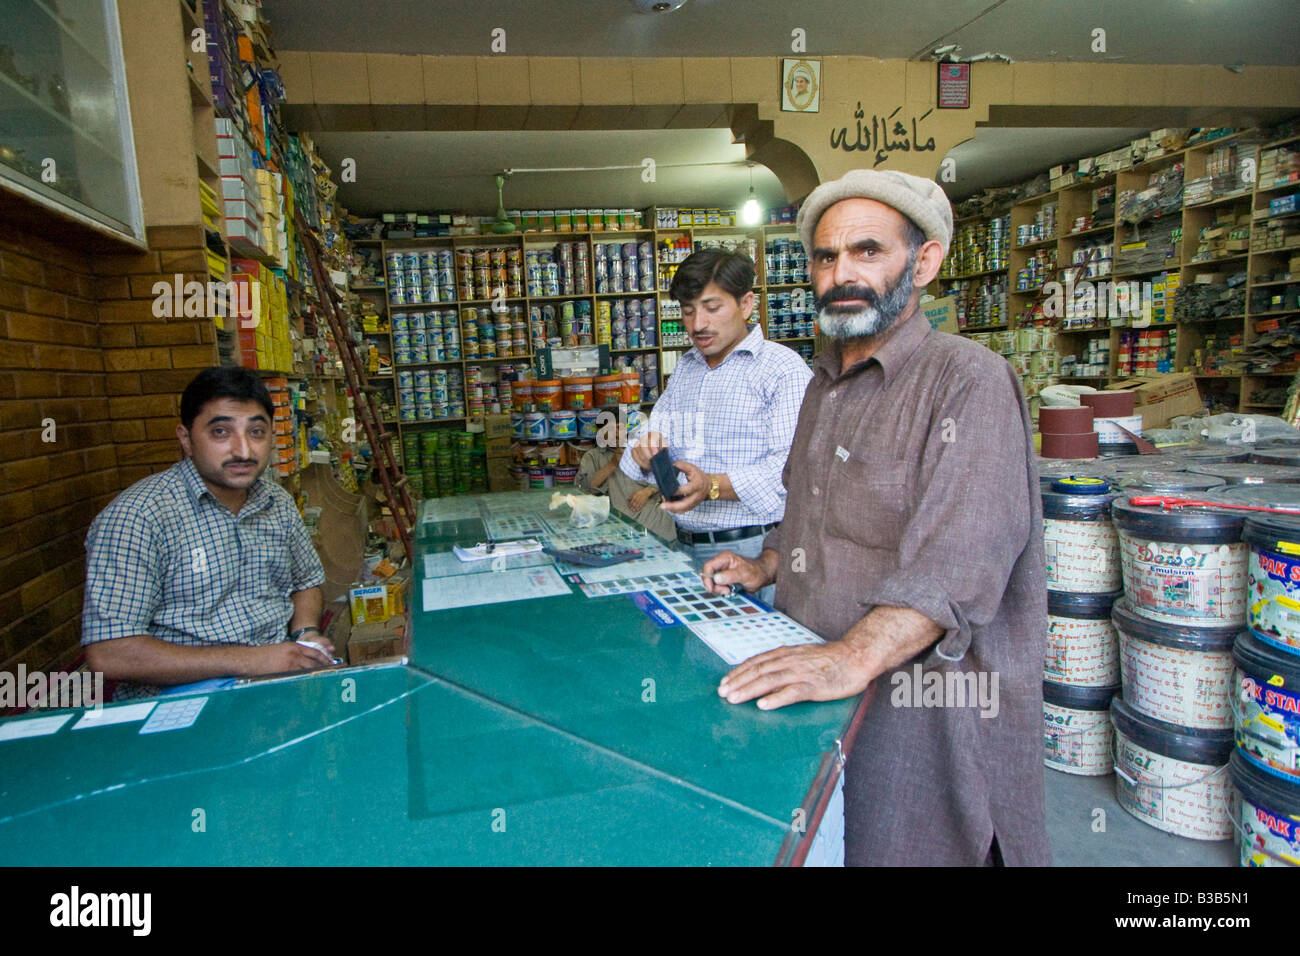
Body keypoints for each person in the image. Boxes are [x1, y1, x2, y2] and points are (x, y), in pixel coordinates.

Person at [701, 169, 1050, 866]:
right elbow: (810, 508)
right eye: (827, 258)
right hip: (822, 697)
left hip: (924, 715)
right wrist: (766, 563)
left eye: (868, 252)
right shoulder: (820, 382)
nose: (843, 275)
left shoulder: (968, 380)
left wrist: (849, 657)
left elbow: (958, 563)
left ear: (923, 262)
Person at [81, 367, 335, 700]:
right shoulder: (137, 518)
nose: (243, 450)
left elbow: (307, 581)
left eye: (256, 432)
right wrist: (251, 661)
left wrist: (306, 633)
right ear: (186, 439)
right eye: (220, 432)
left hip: (276, 685)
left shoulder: (277, 501)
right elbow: (110, 652)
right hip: (182, 703)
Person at [619, 248, 812, 604]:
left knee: (755, 656)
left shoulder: (782, 369)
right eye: (688, 311)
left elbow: (792, 473)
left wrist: (712, 486)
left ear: (746, 304)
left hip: (756, 552)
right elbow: (635, 461)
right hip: (684, 545)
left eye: (712, 308)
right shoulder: (686, 369)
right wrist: (644, 452)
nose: (697, 325)